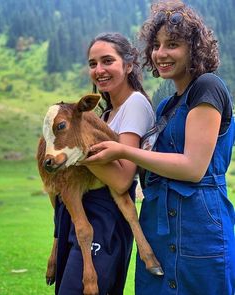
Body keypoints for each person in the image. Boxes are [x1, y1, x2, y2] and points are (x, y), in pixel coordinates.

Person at [82, 1, 235, 294]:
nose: (161, 53)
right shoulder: (165, 106)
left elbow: (193, 168)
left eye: (173, 44)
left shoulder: (208, 87)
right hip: (157, 228)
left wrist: (124, 151)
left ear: (194, 48)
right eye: (156, 45)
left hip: (198, 228)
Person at [53, 32, 155, 295]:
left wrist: (74, 152)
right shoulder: (107, 112)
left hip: (106, 218)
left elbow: (122, 179)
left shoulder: (135, 105)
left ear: (129, 64)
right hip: (86, 215)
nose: (99, 70)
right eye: (92, 64)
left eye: (107, 61)